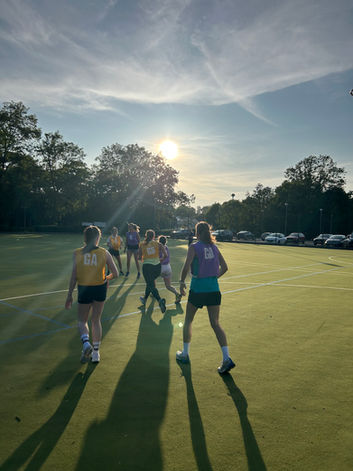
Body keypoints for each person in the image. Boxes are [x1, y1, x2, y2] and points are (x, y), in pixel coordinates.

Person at [176, 221, 235, 374]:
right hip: (214, 289)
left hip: (198, 289)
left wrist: (182, 282)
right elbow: (225, 267)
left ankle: (185, 353)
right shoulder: (214, 248)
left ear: (197, 232)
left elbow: (186, 266)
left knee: (188, 320)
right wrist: (214, 277)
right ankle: (226, 358)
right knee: (215, 323)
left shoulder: (194, 247)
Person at [65, 225, 119, 364]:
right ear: (97, 238)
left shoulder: (77, 253)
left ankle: (85, 343)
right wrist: (106, 278)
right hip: (100, 288)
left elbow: (73, 276)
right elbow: (116, 273)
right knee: (96, 320)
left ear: (85, 237)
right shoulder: (104, 252)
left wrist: (69, 294)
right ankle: (96, 353)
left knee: (82, 320)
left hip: (84, 288)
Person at [138, 229, 167, 313]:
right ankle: (144, 299)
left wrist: (144, 257)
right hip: (157, 267)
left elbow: (139, 258)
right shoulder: (158, 244)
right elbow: (165, 255)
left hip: (147, 267)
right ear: (154, 236)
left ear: (146, 236)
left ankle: (160, 300)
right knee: (150, 283)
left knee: (151, 285)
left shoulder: (142, 244)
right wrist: (159, 260)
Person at [158, 235, 182, 304]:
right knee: (168, 286)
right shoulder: (166, 247)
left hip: (161, 267)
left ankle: (152, 291)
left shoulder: (159, 248)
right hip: (168, 267)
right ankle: (177, 293)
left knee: (151, 278)